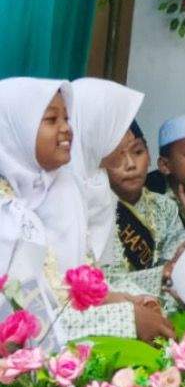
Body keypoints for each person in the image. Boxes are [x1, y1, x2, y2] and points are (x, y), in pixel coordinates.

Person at [0, 78, 175, 348]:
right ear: (17, 128)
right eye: (51, 120)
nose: (67, 130)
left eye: (67, 119)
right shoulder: (7, 210)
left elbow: (81, 281)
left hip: (69, 333)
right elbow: (23, 316)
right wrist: (126, 318)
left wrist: (125, 301)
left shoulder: (62, 189)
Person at [101, 122, 185, 300]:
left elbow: (176, 272)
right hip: (119, 315)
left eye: (138, 152)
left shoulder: (165, 208)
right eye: (117, 156)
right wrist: (160, 275)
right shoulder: (95, 214)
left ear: (148, 155)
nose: (131, 164)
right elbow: (104, 284)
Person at [68, 78, 145, 264]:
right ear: (93, 129)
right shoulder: (55, 188)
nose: (131, 137)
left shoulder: (100, 183)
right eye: (121, 127)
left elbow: (100, 272)